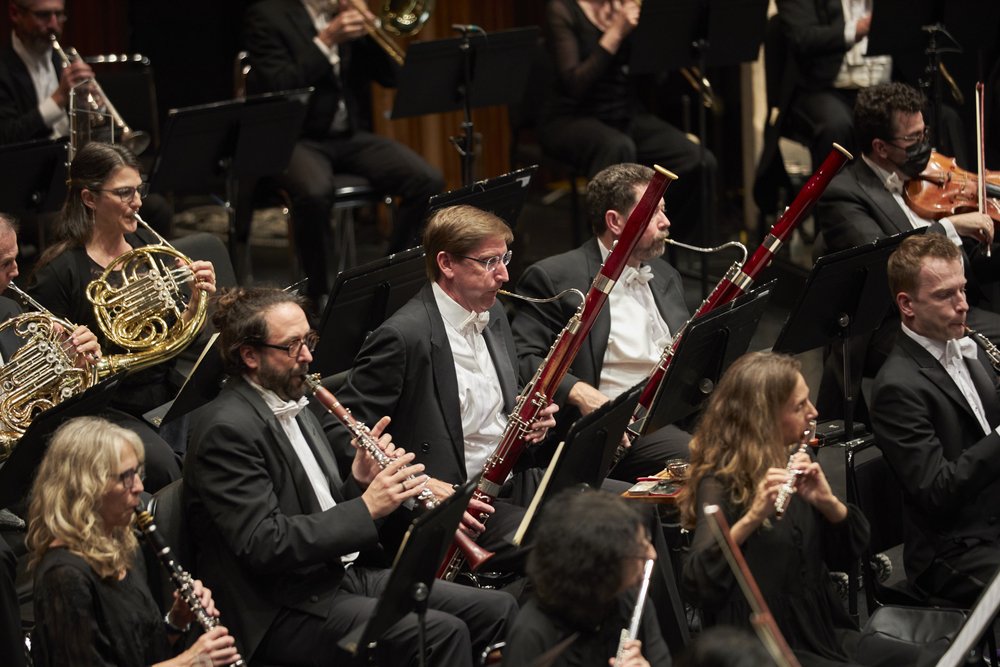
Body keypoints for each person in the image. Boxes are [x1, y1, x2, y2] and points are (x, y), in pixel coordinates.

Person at [183, 286, 517, 666]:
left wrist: (358, 482)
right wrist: (367, 506)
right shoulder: (226, 429)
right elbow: (265, 543)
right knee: (440, 632)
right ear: (250, 355)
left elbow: (318, 509)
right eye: (292, 347)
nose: (308, 355)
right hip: (281, 606)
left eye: (309, 339)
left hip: (336, 575)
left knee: (498, 609)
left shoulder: (297, 401)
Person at [330, 204, 558, 556]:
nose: (504, 276)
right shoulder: (403, 337)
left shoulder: (492, 310)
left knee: (622, 510)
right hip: (457, 507)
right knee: (572, 544)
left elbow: (492, 414)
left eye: (504, 258)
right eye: (488, 262)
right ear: (446, 264)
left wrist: (532, 425)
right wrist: (418, 484)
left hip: (514, 479)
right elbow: (344, 434)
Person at [680, 351, 924, 666]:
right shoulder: (720, 483)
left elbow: (845, 555)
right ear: (763, 418)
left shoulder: (792, 461)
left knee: (930, 658)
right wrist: (754, 517)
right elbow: (698, 581)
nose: (814, 412)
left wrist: (828, 504)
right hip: (768, 648)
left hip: (824, 631)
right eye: (799, 406)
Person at [27, 141, 214, 486]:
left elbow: (172, 338)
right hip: (104, 407)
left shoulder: (146, 248)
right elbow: (46, 371)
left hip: (160, 388)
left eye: (139, 191)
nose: (139, 203)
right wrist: (73, 355)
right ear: (89, 199)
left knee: (221, 435)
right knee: (164, 468)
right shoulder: (59, 272)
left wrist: (193, 303)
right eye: (125, 193)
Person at [812, 82, 999, 422]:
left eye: (923, 132)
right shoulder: (844, 194)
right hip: (896, 322)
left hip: (954, 303)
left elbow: (967, 264)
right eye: (913, 140)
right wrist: (952, 227)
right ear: (880, 147)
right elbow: (891, 263)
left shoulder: (932, 181)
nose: (924, 145)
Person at [242, 0, 444, 302]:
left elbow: (392, 77)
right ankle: (321, 295)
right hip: (295, 138)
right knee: (314, 192)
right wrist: (325, 42)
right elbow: (277, 86)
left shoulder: (344, 17)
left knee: (427, 179)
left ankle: (387, 277)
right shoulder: (268, 16)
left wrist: (371, 29)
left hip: (347, 137)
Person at [511, 162, 691, 482]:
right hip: (615, 430)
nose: (667, 222)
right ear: (615, 221)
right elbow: (523, 358)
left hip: (674, 412)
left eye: (664, 210)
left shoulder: (665, 274)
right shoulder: (554, 278)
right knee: (707, 458)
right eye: (654, 213)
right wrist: (580, 392)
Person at [26, 416, 240, 667]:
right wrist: (189, 662)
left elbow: (138, 653)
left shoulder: (122, 547)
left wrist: (177, 621)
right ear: (87, 488)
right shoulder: (63, 577)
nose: (139, 487)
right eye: (125, 477)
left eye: (138, 473)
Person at [870, 233, 1000, 606]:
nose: (963, 305)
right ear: (907, 305)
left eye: (962, 290)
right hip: (951, 552)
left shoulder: (969, 347)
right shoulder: (897, 387)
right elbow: (936, 492)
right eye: (946, 295)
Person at [540, 0, 716, 240]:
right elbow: (575, 84)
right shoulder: (562, 10)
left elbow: (657, 80)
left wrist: (653, 31)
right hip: (572, 117)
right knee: (618, 147)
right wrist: (616, 32)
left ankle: (657, 239)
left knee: (699, 160)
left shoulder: (626, 5)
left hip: (625, 114)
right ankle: (606, 252)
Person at [501, 488, 670, 667]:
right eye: (638, 549)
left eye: (647, 540)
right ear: (603, 567)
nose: (651, 554)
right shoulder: (532, 636)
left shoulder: (631, 600)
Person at [0, 0, 93, 145]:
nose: (53, 25)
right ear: (15, 13)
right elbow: (6, 135)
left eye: (59, 14)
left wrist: (88, 108)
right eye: (43, 15)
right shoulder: (4, 68)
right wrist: (59, 98)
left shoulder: (66, 58)